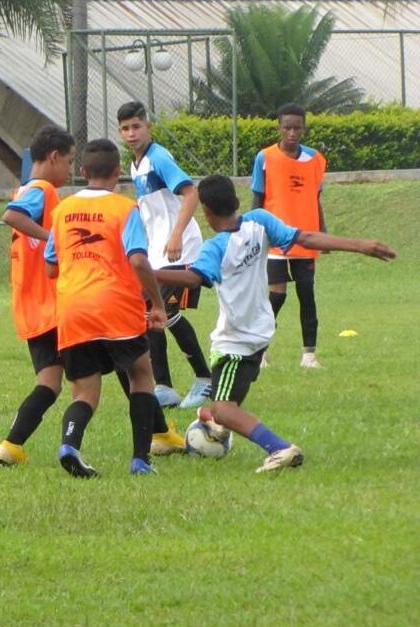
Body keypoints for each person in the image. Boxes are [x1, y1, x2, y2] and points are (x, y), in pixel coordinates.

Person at [156, 175, 395, 472]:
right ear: (236, 200)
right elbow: (305, 238)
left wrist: (151, 273)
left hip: (236, 342)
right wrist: (359, 245)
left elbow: (193, 278)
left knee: (222, 408)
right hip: (261, 332)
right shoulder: (259, 221)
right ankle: (215, 429)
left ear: (205, 211)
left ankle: (279, 448)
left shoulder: (215, 247)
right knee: (220, 408)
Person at [44, 139, 168, 477]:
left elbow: (51, 266)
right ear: (117, 171)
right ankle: (141, 459)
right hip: (116, 305)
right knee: (140, 373)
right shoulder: (124, 208)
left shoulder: (62, 210)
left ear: (82, 172)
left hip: (72, 308)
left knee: (84, 390)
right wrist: (157, 303)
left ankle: (69, 445)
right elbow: (139, 260)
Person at [118, 101, 212, 409]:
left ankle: (204, 379)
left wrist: (175, 234)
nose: (131, 133)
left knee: (166, 313)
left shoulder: (158, 158)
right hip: (158, 252)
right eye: (125, 128)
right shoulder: (136, 163)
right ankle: (164, 386)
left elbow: (191, 192)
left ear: (149, 127)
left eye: (136, 126)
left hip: (179, 248)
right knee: (151, 315)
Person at [0, 125, 73, 467]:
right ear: (53, 157)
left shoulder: (21, 189)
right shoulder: (40, 189)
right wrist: (54, 238)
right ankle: (154, 435)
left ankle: (11, 446)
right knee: (129, 363)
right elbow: (11, 216)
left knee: (50, 384)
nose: (69, 170)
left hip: (30, 307)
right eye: (68, 161)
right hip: (52, 306)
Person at [251, 103, 327, 368]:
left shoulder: (316, 159)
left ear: (304, 129)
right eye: (287, 128)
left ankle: (309, 354)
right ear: (279, 128)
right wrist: (253, 232)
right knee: (277, 296)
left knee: (307, 293)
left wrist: (323, 234)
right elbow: (257, 200)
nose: (292, 133)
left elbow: (315, 200)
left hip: (306, 239)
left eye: (297, 128)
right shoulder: (265, 158)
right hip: (274, 241)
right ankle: (259, 350)